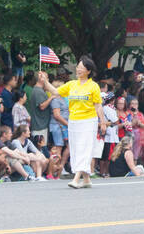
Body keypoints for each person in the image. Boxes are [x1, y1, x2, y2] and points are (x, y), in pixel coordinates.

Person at [39, 58, 104, 188]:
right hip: (73, 121)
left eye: (81, 67)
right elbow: (56, 92)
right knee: (75, 149)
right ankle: (86, 179)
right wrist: (45, 81)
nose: (78, 69)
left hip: (88, 121)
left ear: (88, 71)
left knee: (84, 149)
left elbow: (98, 106)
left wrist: (102, 122)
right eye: (78, 67)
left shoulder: (93, 86)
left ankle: (76, 178)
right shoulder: (72, 84)